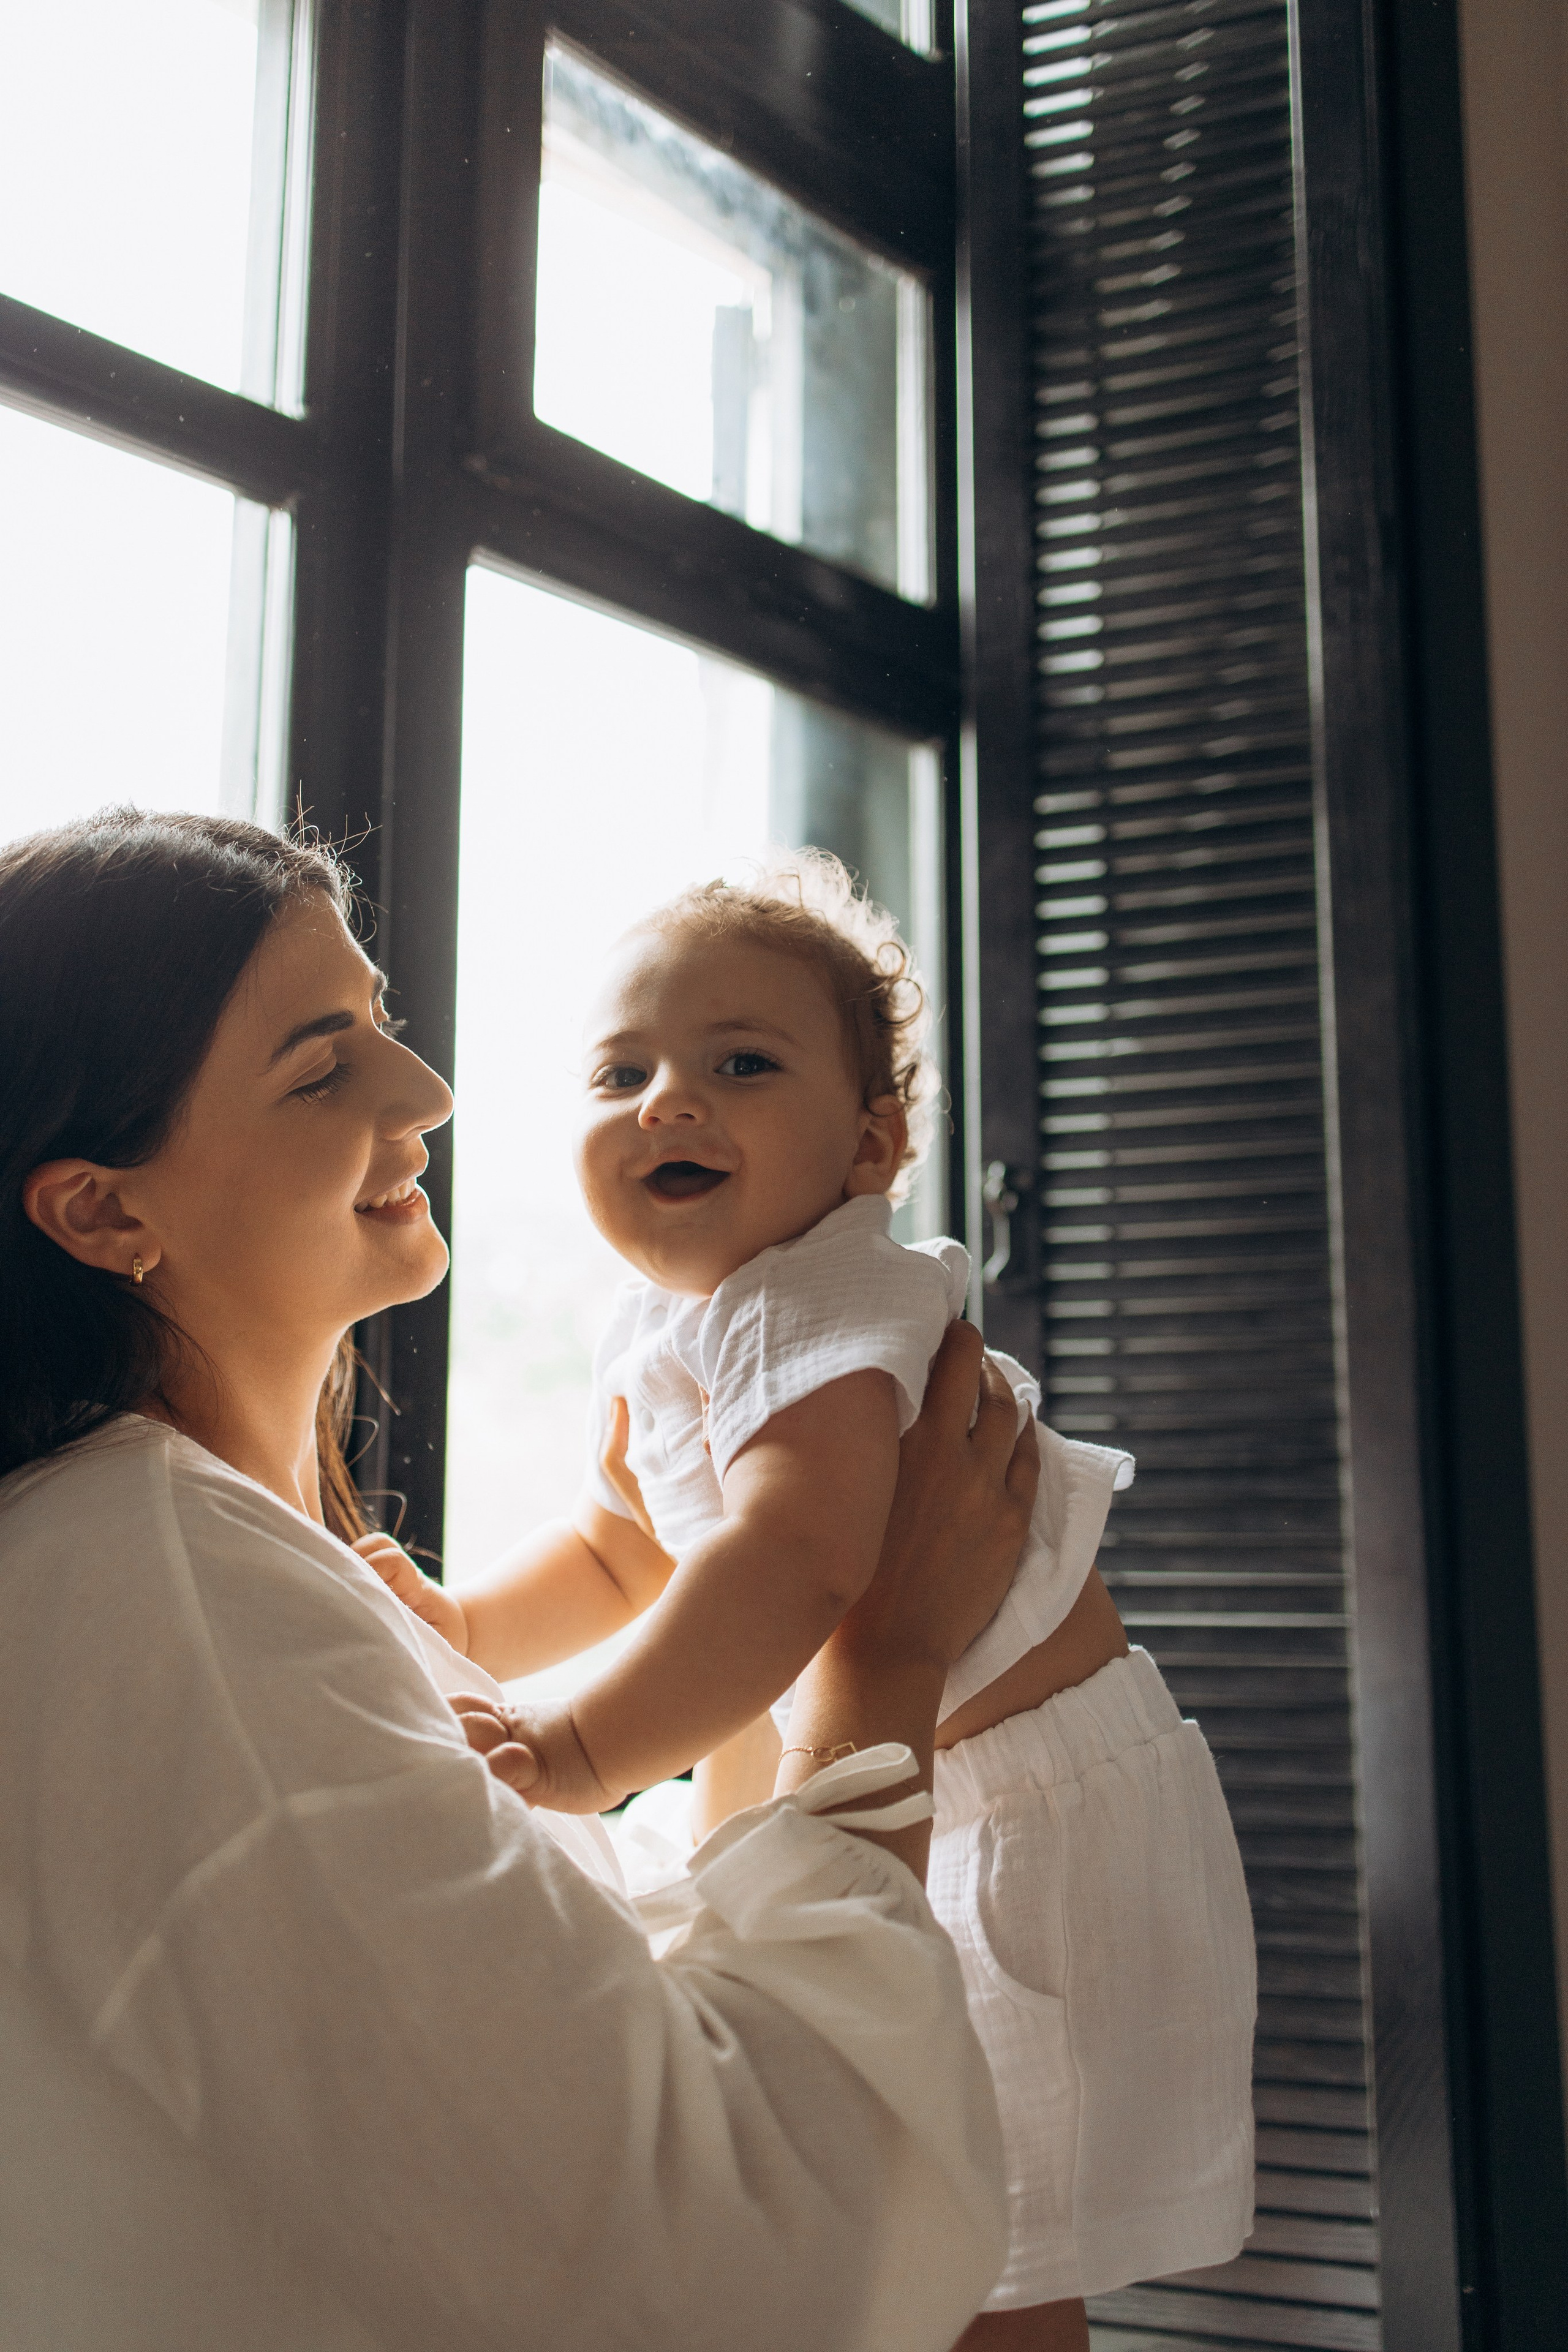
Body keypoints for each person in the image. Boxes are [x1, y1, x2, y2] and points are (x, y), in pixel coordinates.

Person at [0, 808, 1041, 2352]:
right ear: (105, 1209)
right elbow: (713, 2267)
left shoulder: (228, 1576)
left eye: (382, 1025)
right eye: (320, 1064)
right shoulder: (167, 1609)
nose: (425, 1093)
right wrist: (877, 1674)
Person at [368, 854, 1257, 2352]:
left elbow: (794, 1564)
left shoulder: (832, 1297)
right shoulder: (668, 1321)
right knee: (922, 2228)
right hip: (916, 1782)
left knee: (981, 2244)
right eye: (620, 1070)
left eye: (740, 1063)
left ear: (870, 1142)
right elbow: (618, 1548)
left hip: (1014, 1817)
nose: (667, 1099)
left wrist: (583, 1749)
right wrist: (466, 1632)